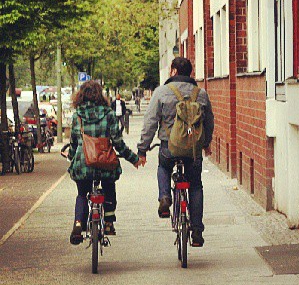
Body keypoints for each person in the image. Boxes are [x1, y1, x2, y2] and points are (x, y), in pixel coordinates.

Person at [137, 57, 214, 247]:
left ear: (173, 71)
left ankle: (165, 197)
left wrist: (142, 149)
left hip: (169, 148)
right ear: (190, 73)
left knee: (163, 167)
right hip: (193, 150)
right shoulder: (201, 94)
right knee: (195, 185)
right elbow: (209, 122)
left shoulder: (162, 92)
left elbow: (150, 122)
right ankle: (197, 230)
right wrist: (206, 144)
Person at [66, 80, 140, 245]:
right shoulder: (109, 114)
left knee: (82, 194)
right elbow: (118, 142)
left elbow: (74, 142)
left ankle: (78, 223)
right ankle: (108, 222)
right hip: (105, 163)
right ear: (100, 95)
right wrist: (133, 158)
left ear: (80, 96)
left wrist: (71, 157)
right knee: (109, 186)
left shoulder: (77, 115)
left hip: (83, 164)